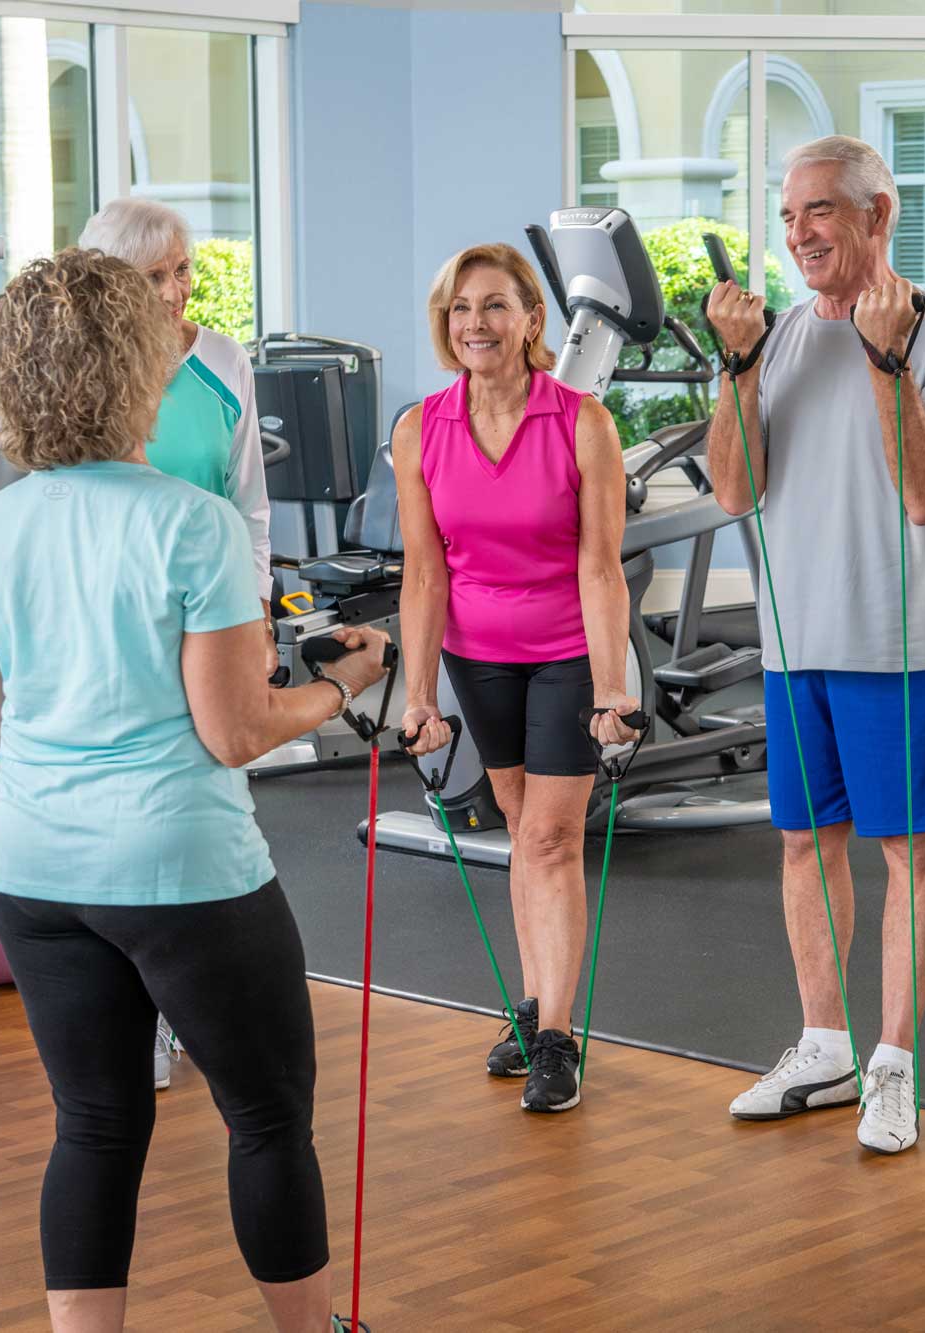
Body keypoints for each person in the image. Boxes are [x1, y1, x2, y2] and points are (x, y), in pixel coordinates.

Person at [0, 247, 391, 1330]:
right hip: (181, 868)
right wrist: (339, 681)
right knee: (267, 1117)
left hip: (35, 873)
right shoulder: (188, 523)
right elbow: (237, 730)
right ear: (137, 367)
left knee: (93, 1123)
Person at [703, 135, 925, 1155]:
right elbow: (733, 489)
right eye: (787, 217)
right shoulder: (775, 335)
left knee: (907, 851)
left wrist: (884, 356)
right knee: (800, 841)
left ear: (878, 216)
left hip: (896, 638)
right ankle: (823, 1044)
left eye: (818, 211)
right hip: (794, 642)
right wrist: (736, 365)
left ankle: (893, 1067)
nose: (797, 234)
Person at [392, 242, 640, 1115]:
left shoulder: (581, 421)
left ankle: (558, 1039)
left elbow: (602, 568)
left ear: (533, 319)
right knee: (516, 823)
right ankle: (535, 1002)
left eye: (495, 306)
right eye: (461, 309)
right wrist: (419, 695)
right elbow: (423, 575)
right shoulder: (421, 427)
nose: (476, 325)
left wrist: (613, 689)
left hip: (567, 649)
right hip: (477, 656)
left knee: (548, 840)